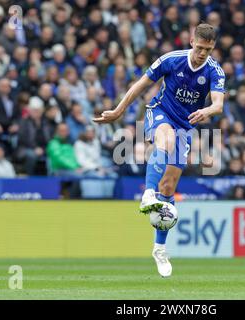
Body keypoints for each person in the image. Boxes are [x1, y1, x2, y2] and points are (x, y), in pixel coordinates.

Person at [93, 24, 225, 277]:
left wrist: (207, 110)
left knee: (169, 187)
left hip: (186, 126)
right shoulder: (171, 60)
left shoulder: (214, 71)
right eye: (198, 48)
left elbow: (218, 104)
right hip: (160, 113)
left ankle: (159, 249)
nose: (201, 54)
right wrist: (119, 111)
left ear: (213, 48)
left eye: (207, 50)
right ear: (191, 42)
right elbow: (140, 85)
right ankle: (147, 195)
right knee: (164, 140)